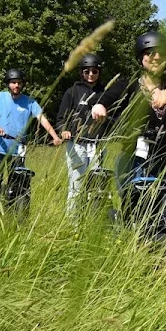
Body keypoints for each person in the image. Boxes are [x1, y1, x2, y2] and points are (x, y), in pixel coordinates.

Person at [91, 31, 166, 246]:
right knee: (133, 210)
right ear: (141, 58)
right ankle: (123, 230)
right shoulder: (129, 85)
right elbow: (107, 98)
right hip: (132, 156)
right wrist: (100, 107)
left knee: (163, 212)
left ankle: (160, 247)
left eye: (160, 53)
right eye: (150, 53)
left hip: (165, 157)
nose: (156, 57)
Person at [0, 68, 62, 198]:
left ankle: (11, 205)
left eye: (19, 82)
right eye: (13, 82)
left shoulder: (30, 102)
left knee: (16, 181)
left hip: (18, 148)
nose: (16, 85)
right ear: (8, 84)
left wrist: (55, 136)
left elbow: (42, 119)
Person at [57, 53, 110, 215]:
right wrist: (64, 130)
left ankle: (92, 217)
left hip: (97, 144)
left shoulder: (105, 92)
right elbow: (61, 118)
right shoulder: (72, 92)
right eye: (87, 71)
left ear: (99, 72)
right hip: (77, 143)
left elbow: (113, 115)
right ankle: (73, 221)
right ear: (81, 72)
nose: (91, 74)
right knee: (76, 184)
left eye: (94, 71)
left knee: (96, 184)